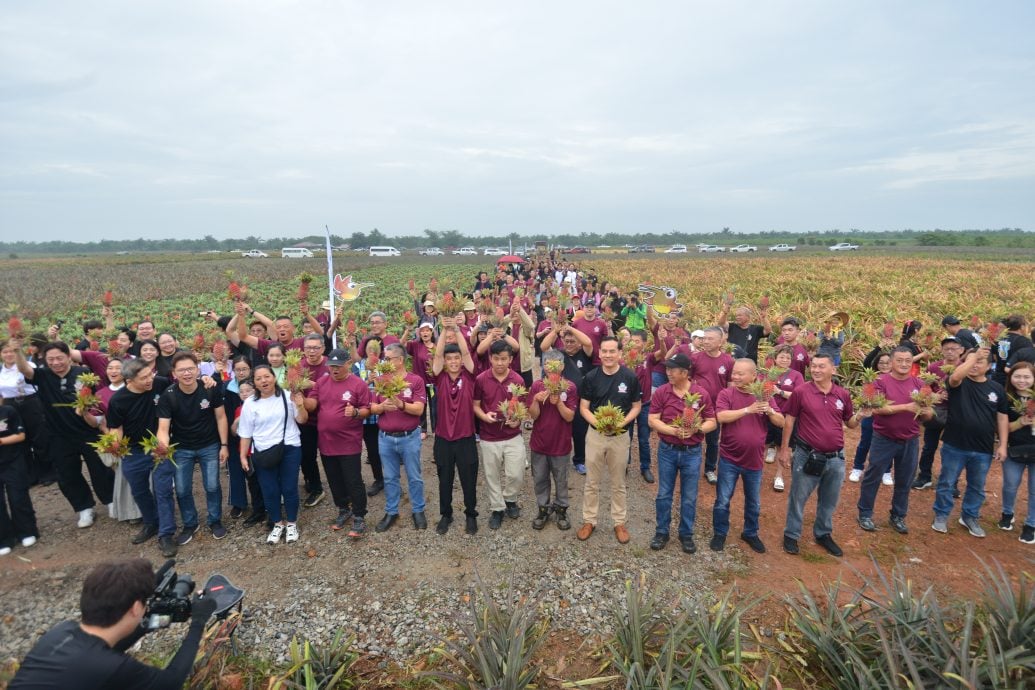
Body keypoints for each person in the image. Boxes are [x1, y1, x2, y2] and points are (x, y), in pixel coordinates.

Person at [9, 558, 217, 690]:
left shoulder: (61, 632)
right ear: (136, 608)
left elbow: (112, 645)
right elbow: (170, 682)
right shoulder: (112, 667)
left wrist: (161, 620)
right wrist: (198, 622)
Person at [12, 340, 114, 528]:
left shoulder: (83, 374)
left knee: (100, 467)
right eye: (50, 359)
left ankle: (110, 500)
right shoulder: (42, 375)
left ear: (69, 357)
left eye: (59, 358)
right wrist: (17, 350)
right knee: (67, 473)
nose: (55, 362)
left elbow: (97, 402)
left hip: (87, 430)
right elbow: (25, 369)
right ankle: (84, 507)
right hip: (58, 434)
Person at [779, 353, 866, 557]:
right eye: (813, 366)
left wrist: (860, 415)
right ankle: (791, 535)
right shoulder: (801, 391)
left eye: (821, 366)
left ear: (833, 369)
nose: (816, 370)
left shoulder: (842, 395)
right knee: (798, 497)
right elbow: (789, 420)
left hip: (836, 458)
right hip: (807, 454)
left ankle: (823, 533)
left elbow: (850, 423)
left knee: (829, 499)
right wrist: (785, 449)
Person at [932, 347, 1010, 537]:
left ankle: (969, 516)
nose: (974, 365)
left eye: (979, 362)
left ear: (989, 366)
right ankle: (941, 515)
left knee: (977, 486)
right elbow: (956, 377)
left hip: (983, 447)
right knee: (947, 482)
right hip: (954, 444)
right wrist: (972, 357)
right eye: (971, 362)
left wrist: (1002, 444)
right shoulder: (959, 382)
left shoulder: (996, 389)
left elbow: (1002, 417)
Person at [856, 347, 933, 535]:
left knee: (905, 480)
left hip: (911, 439)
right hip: (884, 438)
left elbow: (928, 414)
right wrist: (907, 406)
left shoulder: (919, 383)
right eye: (900, 360)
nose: (904, 364)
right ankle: (865, 513)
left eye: (908, 360)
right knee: (873, 476)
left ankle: (898, 515)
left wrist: (927, 412)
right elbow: (876, 409)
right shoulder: (881, 381)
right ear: (891, 362)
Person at [156, 352, 230, 545]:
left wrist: (224, 445)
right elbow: (163, 428)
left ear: (198, 369)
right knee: (181, 489)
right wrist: (162, 446)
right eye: (181, 370)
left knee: (212, 485)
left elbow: (221, 417)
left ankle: (215, 520)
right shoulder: (168, 396)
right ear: (174, 373)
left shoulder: (209, 390)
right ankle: (190, 523)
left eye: (190, 369)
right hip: (181, 448)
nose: (186, 373)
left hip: (210, 444)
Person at [712, 359, 783, 553]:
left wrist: (769, 410)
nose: (735, 377)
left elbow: (781, 421)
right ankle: (720, 533)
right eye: (734, 373)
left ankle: (750, 533)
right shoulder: (727, 393)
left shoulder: (764, 395)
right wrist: (747, 410)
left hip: (754, 460)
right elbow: (721, 416)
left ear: (754, 376)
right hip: (729, 458)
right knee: (723, 499)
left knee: (753, 501)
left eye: (740, 374)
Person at [647, 353, 716, 554]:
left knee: (689, 496)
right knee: (664, 494)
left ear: (684, 372)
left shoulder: (701, 393)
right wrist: (673, 431)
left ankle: (686, 534)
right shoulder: (662, 391)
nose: (667, 372)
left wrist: (697, 429)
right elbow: (653, 419)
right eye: (667, 369)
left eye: (672, 370)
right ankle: (662, 532)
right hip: (667, 450)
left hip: (692, 452)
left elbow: (712, 421)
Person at [576, 336, 642, 544]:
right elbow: (583, 408)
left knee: (618, 482)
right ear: (599, 353)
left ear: (620, 354)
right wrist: (599, 423)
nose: (608, 355)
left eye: (612, 351)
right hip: (596, 435)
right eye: (604, 351)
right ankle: (589, 520)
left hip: (620, 437)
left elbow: (637, 407)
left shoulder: (630, 377)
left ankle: (619, 522)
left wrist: (621, 424)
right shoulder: (591, 377)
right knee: (592, 481)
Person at [238, 364, 308, 544]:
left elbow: (302, 419)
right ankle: (277, 523)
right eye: (259, 378)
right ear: (254, 382)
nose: (264, 381)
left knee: (289, 487)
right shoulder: (250, 403)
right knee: (269, 490)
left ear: (274, 377)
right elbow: (246, 431)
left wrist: (300, 406)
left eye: (267, 376)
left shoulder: (287, 396)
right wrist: (243, 455)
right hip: (263, 451)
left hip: (289, 447)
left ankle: (291, 523)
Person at [304, 348, 371, 536]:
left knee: (353, 480)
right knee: (334, 479)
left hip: (349, 442)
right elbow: (312, 404)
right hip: (326, 442)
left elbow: (368, 409)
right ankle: (343, 509)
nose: (334, 369)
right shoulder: (321, 382)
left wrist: (356, 412)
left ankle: (359, 515)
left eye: (338, 366)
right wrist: (300, 398)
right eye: (331, 366)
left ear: (348, 364)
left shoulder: (358, 385)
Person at [369, 343, 427, 532]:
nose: (384, 363)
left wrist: (401, 404)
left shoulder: (415, 381)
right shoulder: (380, 382)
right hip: (385, 438)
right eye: (384, 359)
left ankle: (418, 510)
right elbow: (371, 408)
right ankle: (391, 511)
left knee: (414, 476)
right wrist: (381, 407)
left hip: (409, 437)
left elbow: (419, 409)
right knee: (390, 478)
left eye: (388, 359)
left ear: (400, 360)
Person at [431, 317, 480, 535]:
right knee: (445, 479)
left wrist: (457, 330)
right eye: (449, 358)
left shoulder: (469, 376)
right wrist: (444, 329)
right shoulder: (440, 377)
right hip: (443, 438)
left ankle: (471, 514)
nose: (452, 361)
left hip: (465, 436)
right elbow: (438, 355)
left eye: (456, 358)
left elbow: (468, 354)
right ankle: (446, 514)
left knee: (468, 478)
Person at [473, 340, 528, 530]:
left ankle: (510, 498)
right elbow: (476, 406)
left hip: (513, 435)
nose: (499, 363)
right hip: (489, 436)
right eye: (496, 359)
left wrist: (518, 420)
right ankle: (497, 508)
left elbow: (522, 407)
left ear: (511, 359)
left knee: (516, 473)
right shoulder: (481, 379)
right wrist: (484, 417)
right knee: (492, 475)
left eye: (504, 359)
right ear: (490, 359)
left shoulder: (518, 381)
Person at [528, 349, 577, 531]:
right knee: (540, 479)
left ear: (562, 366)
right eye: (548, 364)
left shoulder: (569, 387)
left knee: (561, 479)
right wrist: (534, 400)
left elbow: (570, 417)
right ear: (544, 366)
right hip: (539, 443)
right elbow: (533, 416)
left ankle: (561, 509)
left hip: (561, 444)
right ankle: (543, 509)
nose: (552, 367)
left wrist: (559, 403)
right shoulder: (537, 386)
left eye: (556, 364)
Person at [540, 322, 593, 474]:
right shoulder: (558, 354)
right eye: (566, 341)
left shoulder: (585, 354)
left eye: (572, 341)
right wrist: (555, 331)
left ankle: (579, 460)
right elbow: (544, 347)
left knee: (579, 432)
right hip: (560, 399)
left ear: (578, 342)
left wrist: (571, 329)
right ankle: (556, 457)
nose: (569, 344)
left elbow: (588, 342)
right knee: (558, 430)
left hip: (579, 401)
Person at [912, 337, 965, 490]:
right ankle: (924, 476)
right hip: (936, 411)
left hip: (957, 413)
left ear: (961, 350)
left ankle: (952, 482)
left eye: (954, 348)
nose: (950, 351)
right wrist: (935, 396)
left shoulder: (965, 368)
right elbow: (924, 390)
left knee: (953, 448)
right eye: (946, 348)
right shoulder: (934, 368)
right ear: (942, 351)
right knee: (929, 445)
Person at [1, 339, 54, 486]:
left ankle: (48, 472)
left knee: (39, 437)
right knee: (19, 440)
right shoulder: (0, 371)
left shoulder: (27, 365)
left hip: (30, 402)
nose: (8, 354)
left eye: (11, 351)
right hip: (9, 407)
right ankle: (30, 475)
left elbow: (32, 378)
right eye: (5, 351)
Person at [1000, 362, 1035, 544]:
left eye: (1027, 377)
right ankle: (1007, 513)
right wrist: (1020, 422)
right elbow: (1001, 428)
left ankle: (1031, 525)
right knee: (1010, 485)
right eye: (1018, 376)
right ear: (1011, 377)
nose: (1022, 380)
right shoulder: (1006, 399)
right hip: (1014, 449)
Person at [0, 397, 38, 557]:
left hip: (12, 461)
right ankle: (4, 538)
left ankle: (27, 531)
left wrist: (1, 441)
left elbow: (21, 435)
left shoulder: (8, 411)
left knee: (18, 496)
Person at [764, 345, 805, 492]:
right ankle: (757, 472)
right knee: (764, 443)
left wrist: (779, 392)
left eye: (788, 358)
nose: (785, 360)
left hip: (788, 416)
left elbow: (799, 396)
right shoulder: (767, 373)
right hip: (768, 413)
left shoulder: (796, 375)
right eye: (781, 357)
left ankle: (779, 476)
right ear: (775, 358)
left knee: (784, 446)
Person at [848, 351, 892, 484]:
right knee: (865, 441)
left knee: (888, 444)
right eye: (881, 363)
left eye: (887, 362)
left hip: (889, 416)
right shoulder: (871, 378)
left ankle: (886, 471)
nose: (884, 365)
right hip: (871, 415)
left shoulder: (897, 379)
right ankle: (857, 467)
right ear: (876, 364)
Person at [297, 333, 329, 509]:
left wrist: (313, 385)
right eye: (308, 347)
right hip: (306, 419)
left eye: (316, 348)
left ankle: (343, 486)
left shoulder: (330, 365)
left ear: (323, 348)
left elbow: (334, 388)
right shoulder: (299, 366)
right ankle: (315, 486)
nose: (311, 351)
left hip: (327, 418)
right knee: (306, 455)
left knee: (329, 455)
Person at [625, 329, 659, 483]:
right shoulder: (625, 358)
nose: (634, 344)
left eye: (637, 341)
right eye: (632, 340)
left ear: (644, 343)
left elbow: (663, 354)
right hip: (628, 405)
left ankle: (645, 467)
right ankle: (624, 464)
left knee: (644, 439)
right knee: (627, 436)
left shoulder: (649, 358)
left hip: (645, 404)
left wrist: (664, 341)